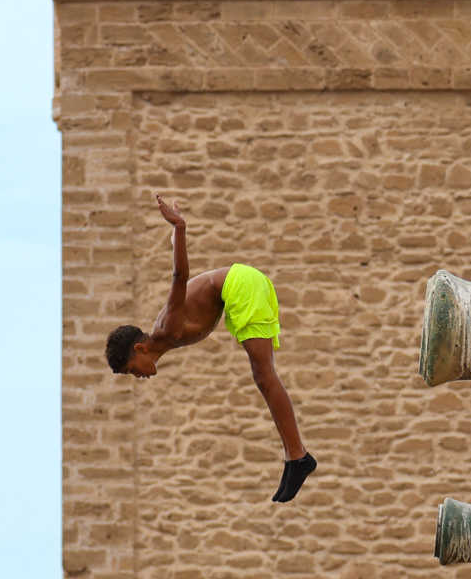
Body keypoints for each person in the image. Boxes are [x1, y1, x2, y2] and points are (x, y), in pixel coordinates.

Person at [105, 196, 317, 504]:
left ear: (139, 348)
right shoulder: (165, 336)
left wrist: (178, 228)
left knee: (263, 375)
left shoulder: (167, 328)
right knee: (262, 376)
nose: (137, 376)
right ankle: (293, 457)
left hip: (241, 286)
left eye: (131, 369)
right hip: (242, 287)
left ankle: (298, 457)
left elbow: (179, 277)